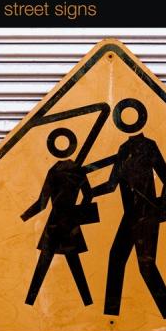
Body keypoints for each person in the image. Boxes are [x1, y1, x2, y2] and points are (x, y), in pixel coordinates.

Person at [92, 98, 166, 319]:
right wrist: (90, 192)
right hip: (131, 216)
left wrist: (159, 207)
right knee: (118, 258)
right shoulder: (124, 149)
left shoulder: (149, 146)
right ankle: (111, 317)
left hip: (146, 215)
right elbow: (112, 185)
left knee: (145, 267)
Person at [21, 127, 97, 307]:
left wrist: (23, 217)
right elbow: (88, 195)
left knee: (44, 263)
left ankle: (30, 301)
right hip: (70, 222)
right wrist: (78, 214)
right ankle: (87, 301)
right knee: (73, 263)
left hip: (55, 223)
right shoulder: (77, 170)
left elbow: (42, 203)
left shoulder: (54, 171)